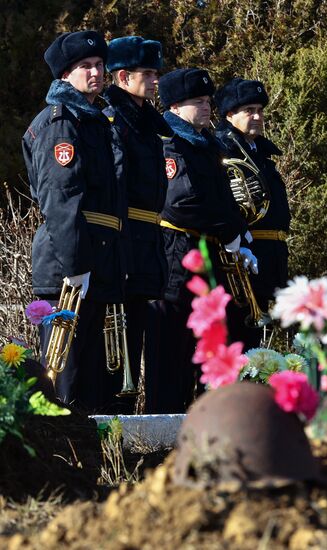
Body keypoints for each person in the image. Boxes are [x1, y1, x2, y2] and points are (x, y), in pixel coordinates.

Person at [22, 30, 129, 413]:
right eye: (85, 66)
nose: (96, 72)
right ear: (64, 75)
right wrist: (77, 264)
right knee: (64, 378)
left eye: (100, 65)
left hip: (98, 261)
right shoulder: (60, 123)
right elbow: (61, 198)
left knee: (94, 382)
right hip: (70, 265)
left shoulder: (95, 121)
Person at [150, 68, 256, 413]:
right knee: (172, 349)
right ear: (176, 106)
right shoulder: (170, 140)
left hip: (204, 254)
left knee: (202, 349)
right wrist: (230, 231)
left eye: (209, 100)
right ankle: (164, 424)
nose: (208, 107)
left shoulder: (206, 144)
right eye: (199, 101)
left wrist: (238, 226)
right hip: (175, 255)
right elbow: (182, 202)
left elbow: (223, 197)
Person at [103, 36, 172, 413]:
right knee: (117, 333)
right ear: (123, 77)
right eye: (148, 73)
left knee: (138, 331)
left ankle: (129, 415)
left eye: (157, 72)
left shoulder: (148, 122)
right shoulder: (114, 119)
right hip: (124, 235)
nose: (155, 80)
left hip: (148, 239)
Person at [214, 78, 291, 349]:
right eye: (249, 110)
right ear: (229, 114)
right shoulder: (223, 149)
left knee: (255, 344)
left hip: (269, 255)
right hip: (243, 255)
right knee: (236, 337)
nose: (257, 117)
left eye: (260, 110)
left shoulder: (259, 151)